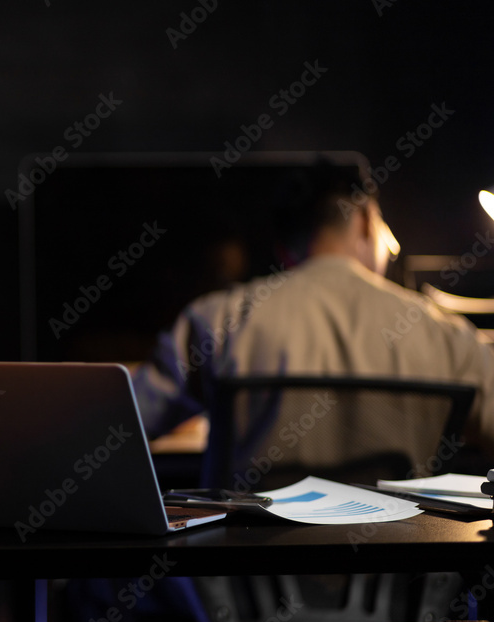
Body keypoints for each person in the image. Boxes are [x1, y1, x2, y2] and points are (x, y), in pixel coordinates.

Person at [132, 161, 494, 477]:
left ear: (284, 250)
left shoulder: (216, 319)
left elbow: (121, 426)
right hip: (402, 552)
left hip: (247, 553)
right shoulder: (447, 336)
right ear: (367, 220)